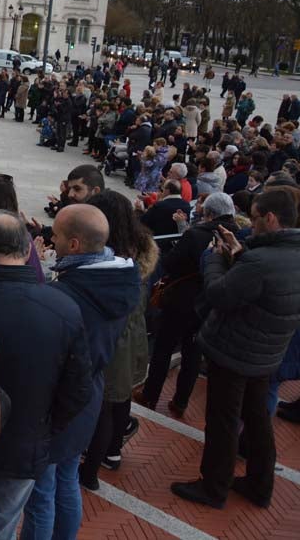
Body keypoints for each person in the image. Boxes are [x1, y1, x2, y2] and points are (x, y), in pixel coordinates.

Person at [170, 190, 300, 509]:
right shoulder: (288, 254)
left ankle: (214, 487)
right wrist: (239, 254)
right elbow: (264, 285)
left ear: (270, 218)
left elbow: (218, 293)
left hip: (236, 350)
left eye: (255, 218)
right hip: (268, 351)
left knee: (223, 420)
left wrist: (216, 257)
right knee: (256, 420)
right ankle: (259, 483)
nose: (251, 224)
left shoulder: (260, 261)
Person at [21, 204, 141, 540]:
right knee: (68, 479)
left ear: (73, 245)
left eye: (55, 235)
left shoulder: (66, 295)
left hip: (56, 404)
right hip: (88, 397)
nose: (51, 239)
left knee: (41, 493)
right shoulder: (118, 279)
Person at [0, 212, 92, 540]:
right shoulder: (63, 307)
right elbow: (78, 389)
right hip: (24, 442)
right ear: (28, 249)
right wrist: (45, 427)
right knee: (1, 530)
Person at [78, 191, 158, 489]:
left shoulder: (110, 260)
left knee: (103, 407)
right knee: (117, 400)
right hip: (132, 336)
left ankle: (89, 474)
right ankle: (111, 452)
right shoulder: (140, 249)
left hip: (114, 340)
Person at [134, 193, 240, 416]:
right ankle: (180, 401)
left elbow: (172, 263)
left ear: (209, 213)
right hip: (210, 303)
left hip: (182, 300)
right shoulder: (240, 236)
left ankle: (151, 395)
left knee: (164, 347)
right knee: (193, 353)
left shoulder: (197, 233)